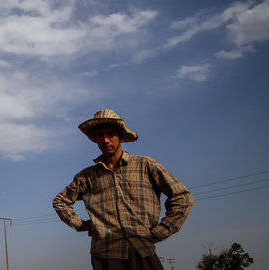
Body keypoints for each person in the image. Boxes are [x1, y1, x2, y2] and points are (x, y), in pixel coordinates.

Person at [53, 109, 194, 270]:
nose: (105, 140)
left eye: (110, 134)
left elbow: (182, 197)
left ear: (120, 136)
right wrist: (80, 224)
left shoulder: (145, 165)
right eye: (99, 135)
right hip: (105, 254)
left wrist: (160, 232)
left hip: (142, 250)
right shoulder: (87, 176)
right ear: (95, 139)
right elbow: (60, 201)